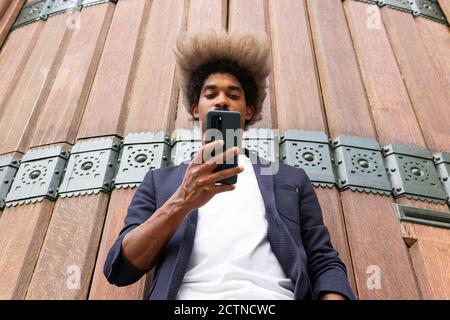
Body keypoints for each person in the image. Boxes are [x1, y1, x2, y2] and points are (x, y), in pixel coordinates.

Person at [104, 29, 355, 300]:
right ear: (195, 109)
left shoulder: (290, 178)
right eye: (210, 94)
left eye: (233, 95)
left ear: (248, 110)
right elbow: (120, 269)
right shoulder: (159, 181)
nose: (222, 100)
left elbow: (323, 260)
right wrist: (182, 200)